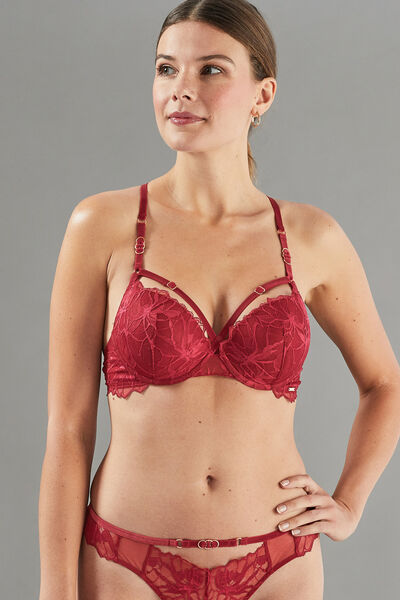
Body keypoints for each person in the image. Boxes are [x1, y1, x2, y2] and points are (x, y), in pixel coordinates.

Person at [38, 1, 400, 599]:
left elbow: (385, 384)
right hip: (126, 561)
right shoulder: (101, 226)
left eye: (210, 69)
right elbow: (68, 431)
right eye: (166, 68)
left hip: (279, 564)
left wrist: (349, 504)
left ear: (263, 95)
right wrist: (55, 590)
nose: (181, 89)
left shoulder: (311, 238)